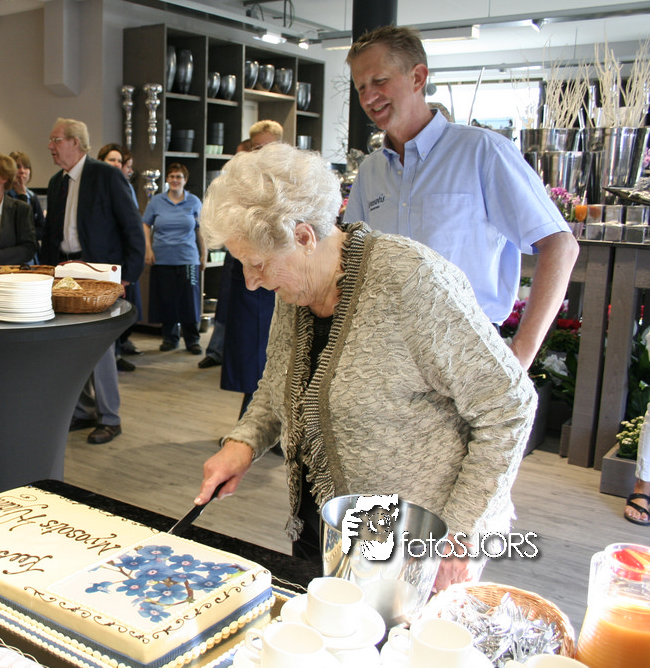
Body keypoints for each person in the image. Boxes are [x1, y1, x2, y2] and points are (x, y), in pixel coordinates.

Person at [194, 143, 536, 589]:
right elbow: (279, 384)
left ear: (304, 237)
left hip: (418, 542)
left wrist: (462, 533)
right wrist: (243, 443)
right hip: (322, 527)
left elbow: (510, 405)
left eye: (257, 264)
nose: (251, 282)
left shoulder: (411, 280)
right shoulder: (296, 289)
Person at [344, 25, 578, 370]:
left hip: (467, 354)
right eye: (361, 87)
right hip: (387, 358)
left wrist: (520, 357)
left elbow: (560, 245)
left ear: (418, 77)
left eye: (379, 81)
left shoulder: (483, 151)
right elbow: (350, 261)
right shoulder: (370, 171)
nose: (368, 98)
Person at [41, 118, 145, 445]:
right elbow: (51, 234)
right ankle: (84, 410)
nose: (50, 146)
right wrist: (46, 273)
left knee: (100, 346)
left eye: (56, 140)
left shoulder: (106, 176)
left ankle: (110, 417)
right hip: (65, 272)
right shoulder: (56, 182)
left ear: (75, 142)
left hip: (98, 275)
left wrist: (127, 276)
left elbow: (132, 227)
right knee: (70, 345)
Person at [220, 126, 279, 416]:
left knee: (279, 351)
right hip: (247, 278)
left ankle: (276, 423)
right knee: (250, 352)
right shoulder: (239, 185)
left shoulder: (292, 181)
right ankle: (251, 419)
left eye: (269, 146)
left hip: (282, 277)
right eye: (257, 147)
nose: (262, 153)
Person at [198, 139, 253, 371]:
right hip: (233, 256)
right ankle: (216, 351)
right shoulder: (228, 184)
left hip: (252, 253)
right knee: (226, 302)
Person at [143, 162, 205, 354]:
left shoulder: (194, 201)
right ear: (167, 179)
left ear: (185, 180)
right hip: (162, 258)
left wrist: (204, 254)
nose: (175, 180)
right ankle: (170, 338)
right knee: (166, 300)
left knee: (190, 301)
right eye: (172, 176)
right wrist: (148, 249)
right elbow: (145, 224)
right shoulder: (156, 201)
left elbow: (201, 230)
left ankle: (192, 340)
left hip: (188, 259)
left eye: (179, 177)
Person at [98, 143, 143, 370]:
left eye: (119, 161)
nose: (116, 164)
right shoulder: (98, 188)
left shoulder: (126, 187)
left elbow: (132, 228)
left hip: (121, 262)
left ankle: (117, 352)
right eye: (111, 160)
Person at [7, 151, 45, 253]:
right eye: (18, 167)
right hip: (13, 253)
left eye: (26, 167)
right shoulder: (4, 196)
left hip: (33, 252)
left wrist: (29, 235)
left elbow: (42, 228)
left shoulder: (32, 197)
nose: (22, 171)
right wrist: (21, 196)